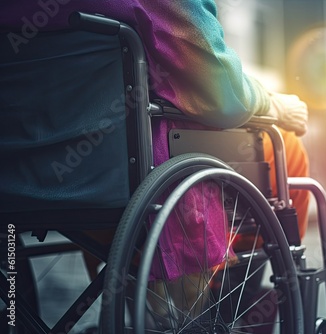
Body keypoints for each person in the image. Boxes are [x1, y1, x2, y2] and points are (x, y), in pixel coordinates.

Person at [2, 0, 309, 327]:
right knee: (287, 148)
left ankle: (150, 300)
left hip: (21, 177)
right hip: (122, 179)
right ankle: (228, 312)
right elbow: (222, 92)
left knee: (106, 164)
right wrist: (275, 105)